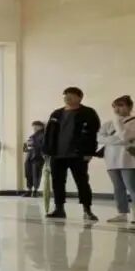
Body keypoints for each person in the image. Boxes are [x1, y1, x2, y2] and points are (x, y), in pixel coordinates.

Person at [44, 86, 101, 221]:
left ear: (80, 98)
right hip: (57, 155)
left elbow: (93, 133)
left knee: (82, 182)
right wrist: (46, 151)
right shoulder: (56, 114)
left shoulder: (88, 112)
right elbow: (48, 133)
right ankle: (59, 209)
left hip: (78, 154)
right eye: (65, 96)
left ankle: (87, 210)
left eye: (71, 95)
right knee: (57, 182)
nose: (67, 98)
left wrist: (89, 152)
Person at [99, 94, 135, 224]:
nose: (117, 109)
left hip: (128, 160)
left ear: (129, 107)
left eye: (121, 105)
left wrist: (118, 125)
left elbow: (125, 136)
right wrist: (117, 139)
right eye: (115, 106)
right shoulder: (108, 123)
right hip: (111, 159)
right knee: (118, 187)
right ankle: (122, 213)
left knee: (132, 187)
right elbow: (99, 138)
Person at [22, 120, 46, 197]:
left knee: (36, 174)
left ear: (41, 127)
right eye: (33, 126)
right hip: (29, 157)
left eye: (36, 126)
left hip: (38, 157)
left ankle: (35, 191)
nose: (34, 128)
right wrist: (26, 146)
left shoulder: (44, 135)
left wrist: (33, 144)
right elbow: (26, 148)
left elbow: (44, 146)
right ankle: (29, 190)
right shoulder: (32, 136)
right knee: (28, 174)